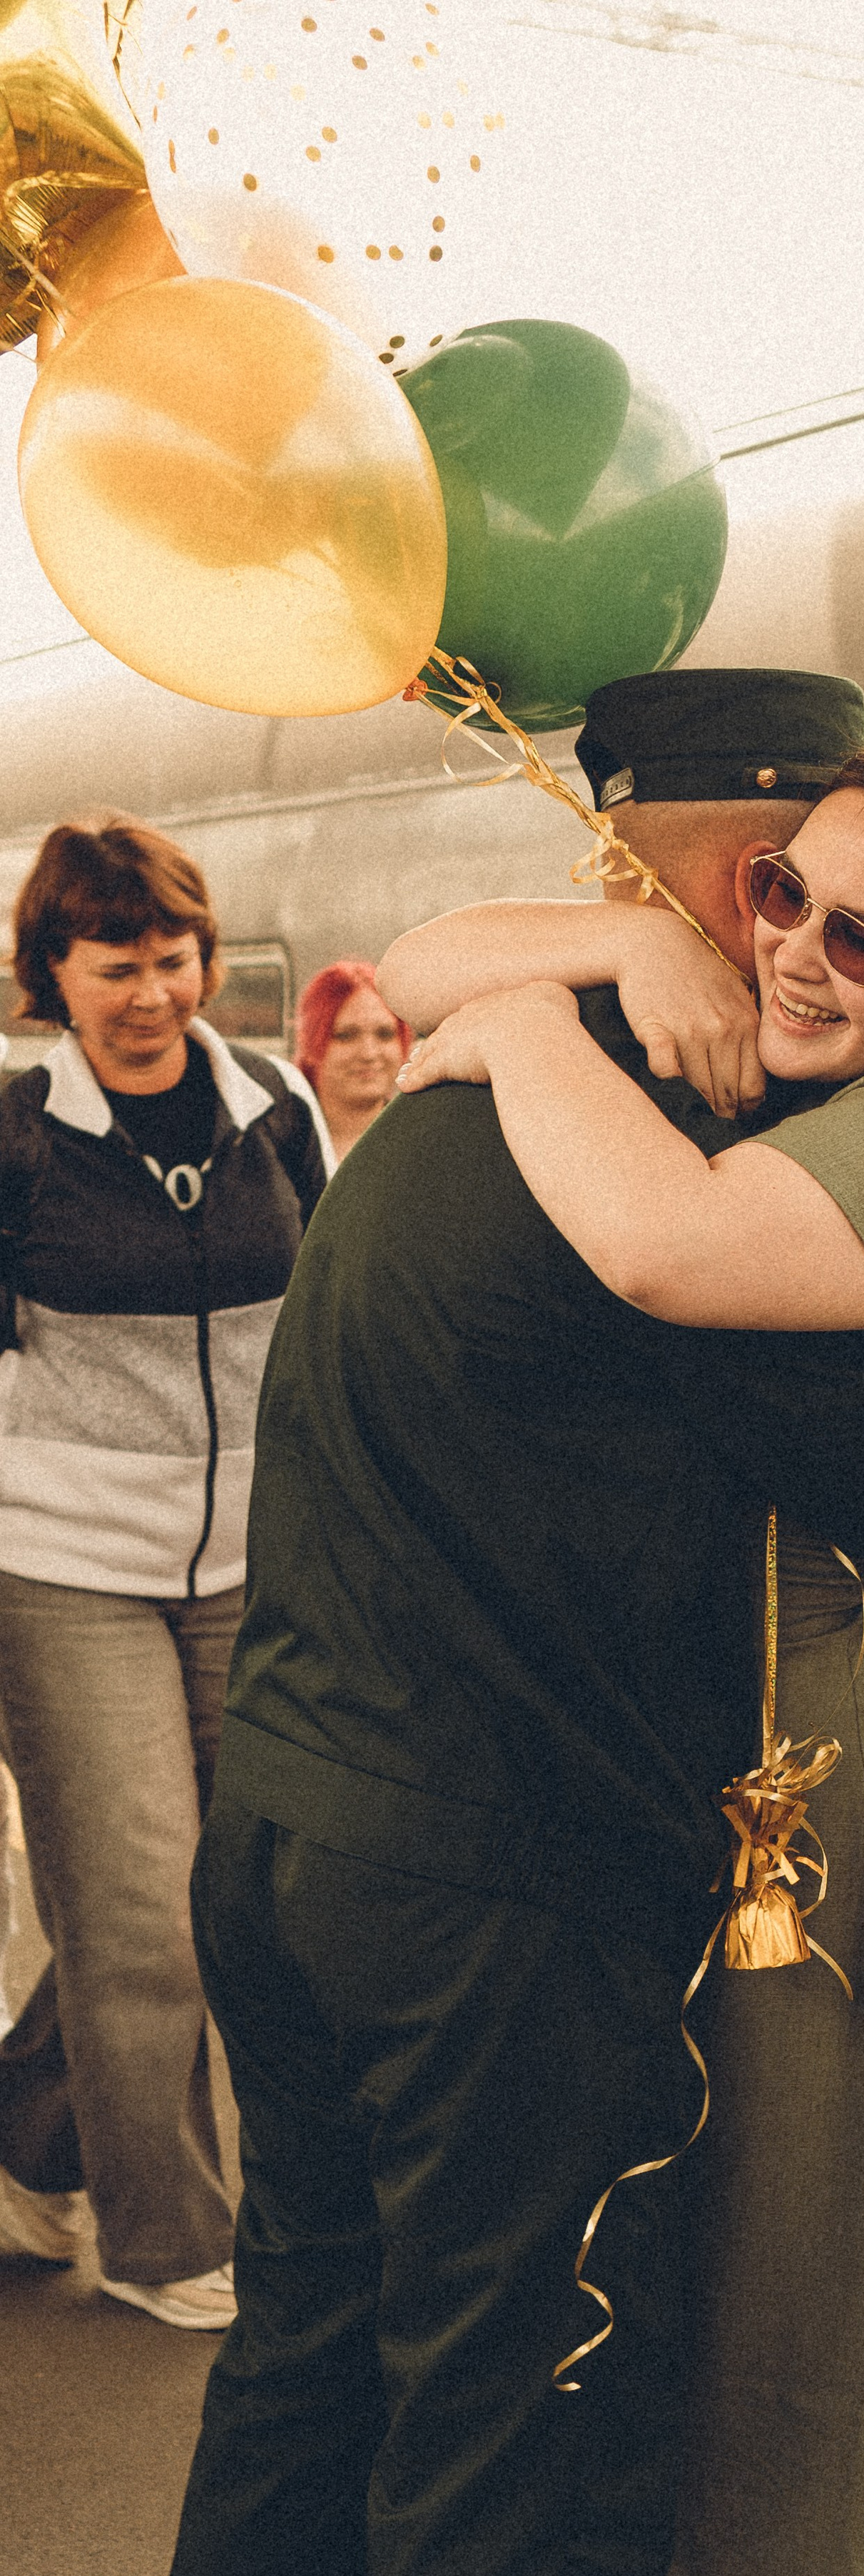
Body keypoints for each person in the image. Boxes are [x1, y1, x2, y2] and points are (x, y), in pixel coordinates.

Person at [163, 675, 864, 2576]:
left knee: (314, 2326)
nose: (789, 949)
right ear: (726, 870)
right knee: (515, 2408)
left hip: (287, 1828)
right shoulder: (663, 1139)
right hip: (489, 1894)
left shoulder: (495, 1085)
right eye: (783, 894)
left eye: (845, 923)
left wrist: (501, 990)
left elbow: (443, 969)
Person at [0, 818, 327, 2324]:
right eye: (112, 964)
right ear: (49, 976)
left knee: (235, 1889)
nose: (150, 991)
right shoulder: (16, 1135)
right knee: (134, 1907)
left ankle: (25, 2131)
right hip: (56, 1558)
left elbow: (328, 1332)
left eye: (172, 957)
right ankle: (173, 2242)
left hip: (249, 1554)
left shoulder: (278, 1107)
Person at [291, 959, 410, 1168]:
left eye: (385, 1034)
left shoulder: (423, 1142)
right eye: (346, 1036)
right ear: (309, 1042)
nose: (369, 1053)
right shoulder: (280, 1146)